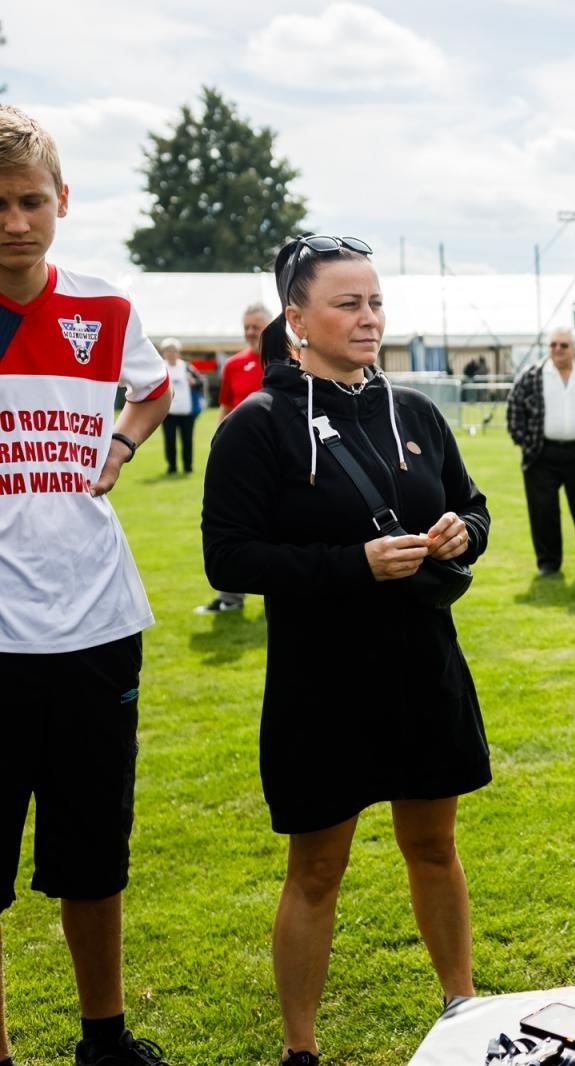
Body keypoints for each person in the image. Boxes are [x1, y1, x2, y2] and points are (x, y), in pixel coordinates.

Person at [202, 235, 491, 1066]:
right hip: (320, 684)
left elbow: (473, 507)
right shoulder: (256, 426)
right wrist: (350, 565)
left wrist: (457, 532)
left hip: (423, 668)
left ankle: (462, 1010)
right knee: (317, 870)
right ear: (297, 319)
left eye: (374, 302)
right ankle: (300, 1049)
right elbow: (230, 557)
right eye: (347, 303)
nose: (368, 318)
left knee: (435, 847)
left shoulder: (417, 412)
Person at [0, 102, 174, 1066]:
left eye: (31, 201)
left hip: (97, 623)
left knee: (93, 855)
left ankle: (103, 1040)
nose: (14, 222)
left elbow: (156, 387)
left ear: (63, 201)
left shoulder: (105, 308)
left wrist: (121, 440)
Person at [506, 326, 575, 577]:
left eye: (563, 345)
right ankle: (548, 564)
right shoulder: (531, 376)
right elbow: (514, 412)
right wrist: (526, 442)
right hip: (541, 455)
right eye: (553, 344)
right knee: (543, 513)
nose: (557, 349)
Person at [194, 302, 271, 614]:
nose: (251, 333)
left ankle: (278, 601)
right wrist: (219, 445)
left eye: (257, 327)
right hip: (238, 463)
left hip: (274, 459)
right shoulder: (234, 365)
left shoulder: (291, 361)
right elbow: (225, 407)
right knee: (231, 528)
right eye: (247, 327)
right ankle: (230, 599)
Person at [157, 337, 201, 475]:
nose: (171, 353)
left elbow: (201, 382)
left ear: (178, 352)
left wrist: (194, 381)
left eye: (174, 351)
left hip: (186, 411)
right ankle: (172, 467)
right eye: (168, 351)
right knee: (170, 441)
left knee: (187, 440)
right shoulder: (160, 367)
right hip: (168, 412)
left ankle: (188, 466)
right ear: (164, 353)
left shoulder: (187, 367)